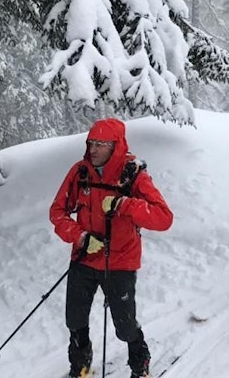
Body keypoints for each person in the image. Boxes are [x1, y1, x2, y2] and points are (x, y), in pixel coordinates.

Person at [49, 118, 173, 378]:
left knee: (125, 326)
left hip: (120, 261)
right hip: (84, 257)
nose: (92, 149)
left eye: (100, 144)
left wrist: (124, 205)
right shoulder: (80, 172)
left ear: (115, 146)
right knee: (75, 319)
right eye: (90, 143)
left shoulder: (133, 175)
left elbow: (163, 218)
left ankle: (140, 365)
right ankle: (80, 364)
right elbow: (58, 212)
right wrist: (80, 237)